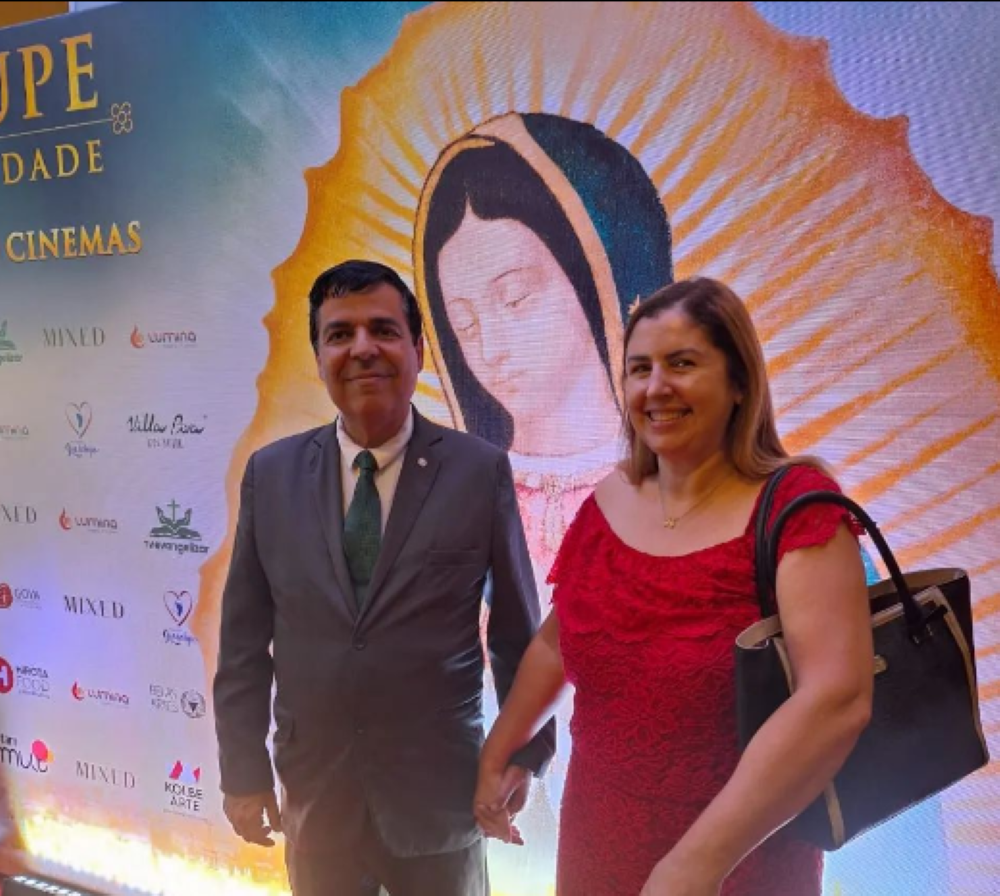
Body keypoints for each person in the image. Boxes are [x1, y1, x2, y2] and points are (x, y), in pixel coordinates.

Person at [474, 277, 874, 896]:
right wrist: (502, 751)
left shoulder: (797, 509)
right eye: (640, 369)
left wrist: (698, 864)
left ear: (739, 382)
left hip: (740, 862)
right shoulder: (608, 502)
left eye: (681, 363)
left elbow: (836, 700)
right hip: (597, 844)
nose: (656, 387)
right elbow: (558, 642)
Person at [213, 259, 555, 896]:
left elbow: (518, 635)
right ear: (319, 357)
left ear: (418, 349)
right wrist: (243, 771)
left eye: (383, 329)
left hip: (440, 799)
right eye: (340, 334)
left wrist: (524, 755)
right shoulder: (271, 475)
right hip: (317, 798)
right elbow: (242, 644)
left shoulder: (478, 472)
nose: (362, 348)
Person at [415, 113, 674, 829]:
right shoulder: (459, 490)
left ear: (602, 275)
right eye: (464, 321)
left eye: (516, 298)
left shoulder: (685, 492)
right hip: (536, 809)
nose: (489, 347)